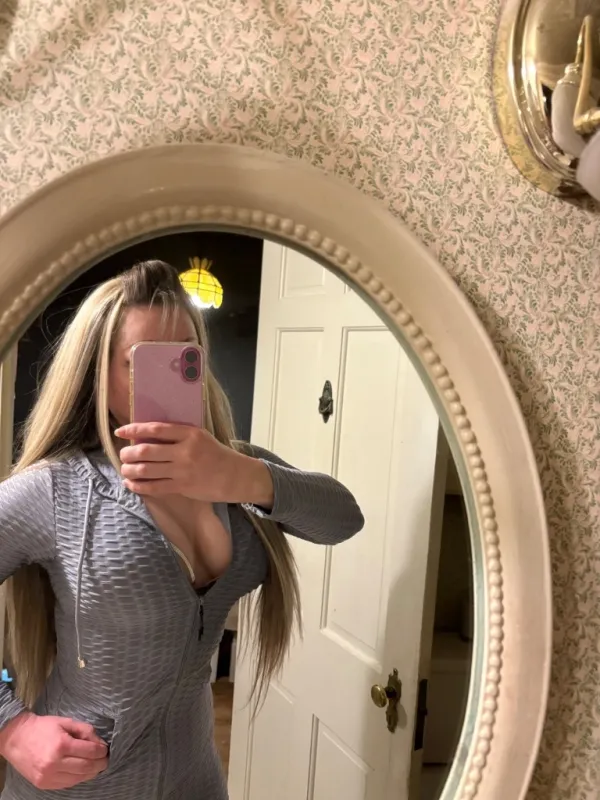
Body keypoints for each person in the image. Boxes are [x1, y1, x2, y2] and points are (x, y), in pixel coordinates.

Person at [0, 260, 364, 799]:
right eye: (143, 362)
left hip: (197, 778)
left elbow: (344, 519)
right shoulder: (60, 490)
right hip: (80, 783)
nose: (170, 375)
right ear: (97, 373)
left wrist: (243, 476)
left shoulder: (234, 468)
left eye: (186, 357)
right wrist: (11, 727)